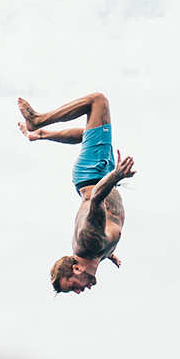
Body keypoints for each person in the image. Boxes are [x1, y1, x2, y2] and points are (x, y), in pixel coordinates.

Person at [18, 92, 136, 294]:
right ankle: (38, 135)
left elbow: (97, 197)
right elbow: (100, 231)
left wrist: (117, 175)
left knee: (98, 101)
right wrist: (110, 253)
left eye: (73, 286)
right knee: (89, 134)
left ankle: (37, 121)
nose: (80, 291)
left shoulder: (90, 243)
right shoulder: (94, 251)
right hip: (96, 174)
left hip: (96, 172)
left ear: (76, 268)